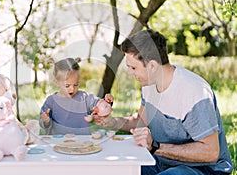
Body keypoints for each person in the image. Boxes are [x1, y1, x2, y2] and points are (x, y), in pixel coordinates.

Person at [93, 29, 233, 174]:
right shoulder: (149, 85)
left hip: (204, 170)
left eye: (133, 67)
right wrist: (111, 122)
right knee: (116, 169)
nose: (130, 72)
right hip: (163, 162)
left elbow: (210, 151)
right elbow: (141, 121)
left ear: (152, 66)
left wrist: (155, 146)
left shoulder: (194, 92)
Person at [39, 57, 113, 135]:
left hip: (82, 141)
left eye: (76, 84)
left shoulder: (84, 97)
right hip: (59, 142)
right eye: (67, 85)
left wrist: (106, 101)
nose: (72, 89)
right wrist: (45, 120)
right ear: (56, 82)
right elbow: (43, 123)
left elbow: (97, 103)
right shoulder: (51, 101)